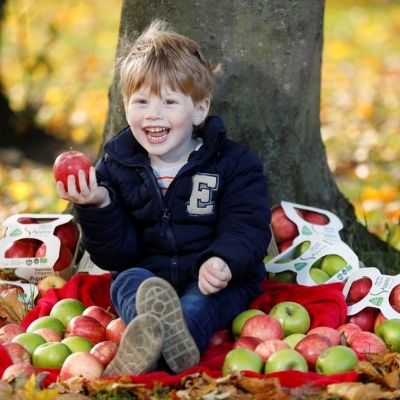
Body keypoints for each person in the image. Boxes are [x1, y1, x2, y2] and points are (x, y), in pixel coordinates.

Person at [56, 19, 272, 376]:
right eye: (141, 101)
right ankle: (156, 341)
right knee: (126, 280)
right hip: (149, 278)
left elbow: (247, 224)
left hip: (210, 278)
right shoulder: (115, 169)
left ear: (199, 109)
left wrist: (224, 261)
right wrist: (98, 205)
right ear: (125, 103)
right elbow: (116, 254)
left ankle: (169, 345)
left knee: (200, 304)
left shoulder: (234, 164)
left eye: (169, 101)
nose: (153, 113)